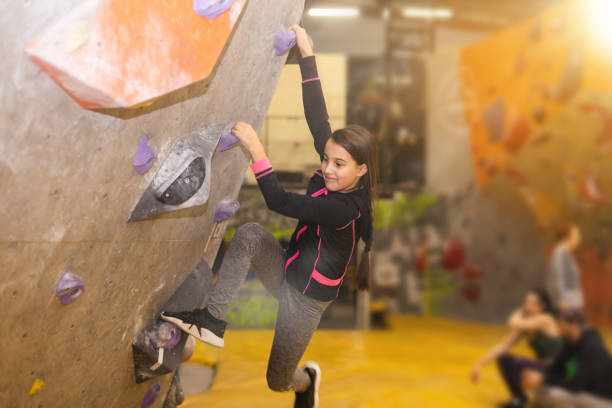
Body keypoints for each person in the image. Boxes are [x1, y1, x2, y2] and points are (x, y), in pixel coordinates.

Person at [162, 25, 377, 408]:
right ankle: (211, 319)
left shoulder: (345, 208)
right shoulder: (337, 176)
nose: (327, 168)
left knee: (277, 381)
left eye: (339, 164)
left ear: (361, 170)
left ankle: (306, 381)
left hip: (306, 300)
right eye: (326, 159)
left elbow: (278, 200)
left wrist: (256, 150)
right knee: (248, 235)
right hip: (286, 271)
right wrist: (307, 54)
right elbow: (317, 117)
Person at [470, 289, 561, 408]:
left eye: (532, 303)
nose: (528, 306)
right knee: (504, 358)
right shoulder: (527, 325)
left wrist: (520, 311)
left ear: (543, 306)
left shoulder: (545, 319)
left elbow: (513, 322)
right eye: (526, 302)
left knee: (518, 362)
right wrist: (480, 363)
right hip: (541, 366)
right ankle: (519, 399)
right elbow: (503, 346)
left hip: (556, 369)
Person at [522, 308, 612, 407]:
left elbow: (576, 384)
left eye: (561, 324)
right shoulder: (570, 343)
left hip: (604, 400)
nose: (558, 328)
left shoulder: (592, 347)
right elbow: (555, 368)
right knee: (540, 391)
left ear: (573, 326)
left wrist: (543, 379)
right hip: (583, 393)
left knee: (555, 395)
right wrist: (539, 378)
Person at [549, 223, 583, 310]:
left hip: (572, 300)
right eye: (576, 235)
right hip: (567, 302)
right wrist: (561, 299)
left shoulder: (567, 253)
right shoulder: (560, 253)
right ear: (567, 237)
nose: (579, 239)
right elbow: (558, 278)